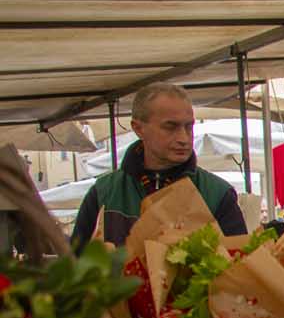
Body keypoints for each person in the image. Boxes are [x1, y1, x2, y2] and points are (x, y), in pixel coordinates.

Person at [71, 83, 246, 248]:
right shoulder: (103, 194)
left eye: (188, 127)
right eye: (170, 127)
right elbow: (76, 268)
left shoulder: (218, 194)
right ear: (138, 128)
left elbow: (241, 269)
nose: (184, 138)